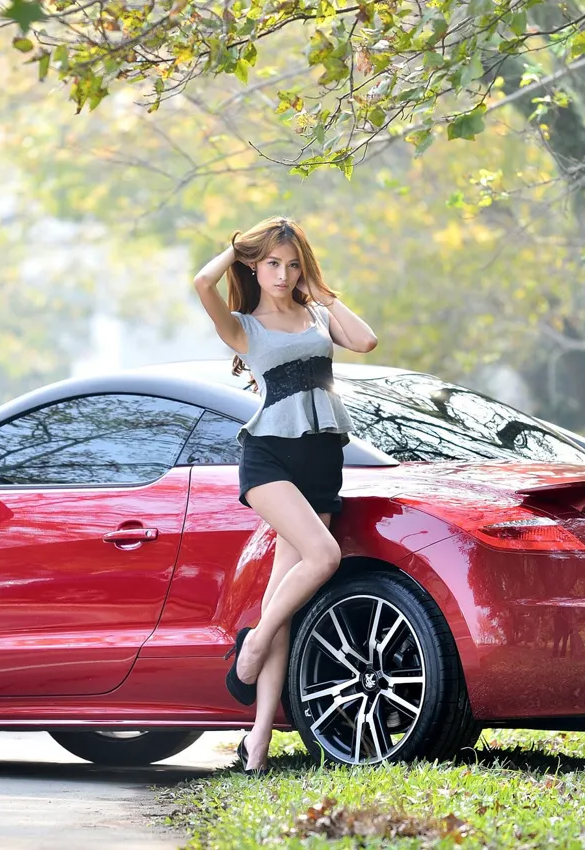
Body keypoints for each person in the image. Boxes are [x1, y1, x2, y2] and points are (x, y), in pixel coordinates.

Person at [190, 216, 378, 774]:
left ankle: (258, 742)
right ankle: (251, 644)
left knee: (283, 603)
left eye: (293, 265)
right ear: (256, 266)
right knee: (324, 556)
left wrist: (322, 291)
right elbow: (202, 282)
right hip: (270, 457)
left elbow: (365, 340)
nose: (283, 274)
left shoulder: (317, 314)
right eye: (273, 263)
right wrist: (243, 246)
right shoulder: (244, 327)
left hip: (321, 460)